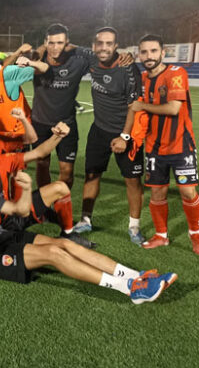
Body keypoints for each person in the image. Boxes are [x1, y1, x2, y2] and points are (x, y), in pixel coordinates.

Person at [0, 156, 176, 304]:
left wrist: (28, 188)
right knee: (54, 255)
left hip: (5, 236)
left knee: (65, 244)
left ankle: (135, 276)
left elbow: (19, 210)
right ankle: (129, 289)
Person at [129, 34, 199, 255]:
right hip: (154, 147)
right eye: (144, 52)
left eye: (153, 51)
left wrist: (141, 105)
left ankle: (195, 234)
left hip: (181, 145)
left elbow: (173, 108)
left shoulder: (176, 74)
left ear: (163, 52)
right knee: (157, 193)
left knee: (187, 192)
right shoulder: (142, 77)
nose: (149, 56)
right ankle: (161, 235)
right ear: (139, 54)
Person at [72, 27, 145, 244]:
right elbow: (69, 46)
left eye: (109, 43)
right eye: (100, 43)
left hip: (125, 132)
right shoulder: (91, 59)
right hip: (99, 130)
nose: (104, 47)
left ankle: (134, 227)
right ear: (94, 45)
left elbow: (134, 106)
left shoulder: (128, 68)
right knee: (91, 175)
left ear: (116, 46)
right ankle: (86, 219)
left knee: (132, 180)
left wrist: (124, 137)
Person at [0, 128, 93, 248]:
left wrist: (58, 136)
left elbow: (38, 153)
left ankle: (68, 234)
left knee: (60, 188)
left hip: (14, 215)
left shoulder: (3, 161)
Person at [29, 23, 96, 188]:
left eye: (60, 43)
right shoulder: (37, 60)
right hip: (40, 123)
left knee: (66, 171)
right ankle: (45, 206)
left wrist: (74, 49)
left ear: (67, 44)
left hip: (67, 124)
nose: (55, 47)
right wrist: (39, 51)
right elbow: (26, 59)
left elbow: (100, 58)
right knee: (42, 165)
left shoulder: (78, 62)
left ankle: (61, 209)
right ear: (45, 43)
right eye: (51, 43)